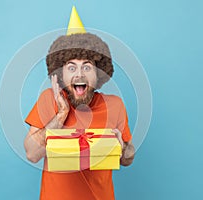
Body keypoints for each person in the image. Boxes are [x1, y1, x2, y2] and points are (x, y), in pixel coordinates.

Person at [24, 7, 135, 200]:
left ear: (98, 73)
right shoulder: (48, 99)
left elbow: (128, 159)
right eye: (71, 67)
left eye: (87, 67)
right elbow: (32, 154)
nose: (79, 74)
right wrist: (61, 114)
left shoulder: (114, 105)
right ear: (60, 74)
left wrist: (122, 148)